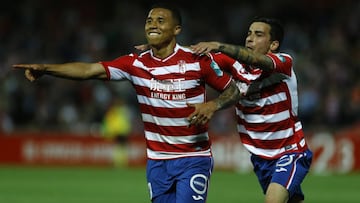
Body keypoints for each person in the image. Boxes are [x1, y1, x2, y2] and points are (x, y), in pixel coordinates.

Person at [13, 3, 242, 203]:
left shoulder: (197, 60)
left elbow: (235, 89)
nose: (152, 24)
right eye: (149, 20)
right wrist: (47, 69)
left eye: (160, 21)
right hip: (157, 161)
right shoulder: (134, 64)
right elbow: (88, 70)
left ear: (177, 30)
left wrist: (212, 106)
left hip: (193, 157)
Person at [190, 17, 313, 203]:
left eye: (258, 34)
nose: (250, 38)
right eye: (249, 33)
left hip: (289, 151)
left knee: (273, 200)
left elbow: (256, 59)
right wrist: (158, 52)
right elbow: (195, 56)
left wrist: (218, 45)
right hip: (260, 157)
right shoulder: (236, 66)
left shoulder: (283, 63)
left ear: (273, 44)